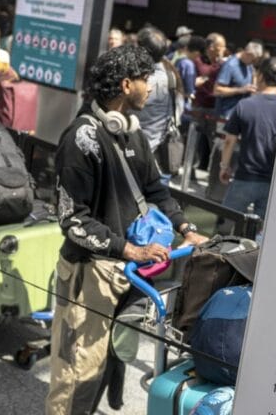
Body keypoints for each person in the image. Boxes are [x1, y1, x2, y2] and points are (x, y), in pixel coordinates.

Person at [47, 45, 207, 414]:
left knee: (110, 358)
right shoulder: (81, 140)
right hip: (91, 273)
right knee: (78, 372)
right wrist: (130, 250)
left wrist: (186, 227)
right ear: (125, 84)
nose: (150, 89)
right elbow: (73, 219)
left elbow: (155, 189)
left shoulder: (131, 132)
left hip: (127, 272)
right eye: (145, 81)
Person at [219, 56, 276, 220]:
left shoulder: (245, 105)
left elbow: (229, 141)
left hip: (245, 177)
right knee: (260, 234)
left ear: (261, 75)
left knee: (226, 226)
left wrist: (224, 166)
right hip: (273, 182)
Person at [131, 27, 182, 155]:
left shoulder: (138, 80)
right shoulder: (170, 77)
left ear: (141, 50)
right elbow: (179, 108)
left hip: (134, 150)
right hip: (159, 150)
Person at [191, 33, 226, 171]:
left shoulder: (224, 64)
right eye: (221, 46)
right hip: (199, 106)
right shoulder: (198, 61)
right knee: (194, 141)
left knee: (214, 142)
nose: (224, 48)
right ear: (212, 47)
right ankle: (190, 171)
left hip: (215, 108)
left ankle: (213, 174)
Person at [214, 40, 263, 119]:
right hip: (225, 116)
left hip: (239, 115)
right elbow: (217, 90)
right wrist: (240, 90)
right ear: (248, 54)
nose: (254, 63)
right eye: (253, 60)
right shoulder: (231, 65)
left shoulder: (249, 65)